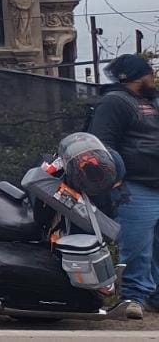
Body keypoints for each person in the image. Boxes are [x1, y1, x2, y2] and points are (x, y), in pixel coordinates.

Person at [90, 54, 159, 319]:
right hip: (135, 187)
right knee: (137, 246)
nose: (152, 76)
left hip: (155, 183)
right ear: (136, 77)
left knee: (154, 247)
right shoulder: (115, 101)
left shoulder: (150, 101)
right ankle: (133, 297)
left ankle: (154, 296)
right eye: (149, 73)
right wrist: (115, 182)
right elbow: (103, 144)